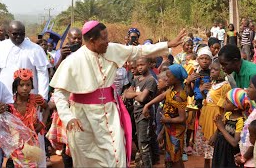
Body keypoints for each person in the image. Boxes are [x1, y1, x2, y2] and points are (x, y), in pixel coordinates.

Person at [49, 20, 186, 167]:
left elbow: (138, 51)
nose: (108, 42)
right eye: (103, 38)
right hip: (83, 119)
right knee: (87, 162)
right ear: (91, 41)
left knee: (115, 157)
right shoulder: (73, 61)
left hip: (110, 113)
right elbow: (60, 94)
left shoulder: (111, 49)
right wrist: (68, 117)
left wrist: (167, 45)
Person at [0, 20, 50, 167]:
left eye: (21, 34)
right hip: (6, 102)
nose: (18, 37)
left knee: (33, 134)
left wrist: (42, 97)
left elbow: (42, 73)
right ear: (8, 33)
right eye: (15, 34)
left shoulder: (35, 49)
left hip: (30, 102)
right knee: (6, 137)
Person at [143, 64, 188, 168]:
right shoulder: (172, 90)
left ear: (176, 79)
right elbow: (162, 95)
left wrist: (166, 120)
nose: (166, 78)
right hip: (169, 130)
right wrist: (147, 105)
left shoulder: (178, 96)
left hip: (176, 132)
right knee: (173, 157)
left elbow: (182, 118)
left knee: (175, 158)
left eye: (168, 76)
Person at [6, 68, 50, 167]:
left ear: (32, 86)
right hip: (16, 143)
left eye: (28, 85)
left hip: (32, 143)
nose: (25, 88)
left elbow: (47, 108)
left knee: (32, 165)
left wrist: (42, 123)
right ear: (15, 86)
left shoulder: (36, 99)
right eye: (21, 85)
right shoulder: (10, 102)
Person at [196, 61, 231, 168]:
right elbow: (208, 101)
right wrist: (202, 92)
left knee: (213, 151)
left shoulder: (225, 86)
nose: (211, 71)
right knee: (207, 153)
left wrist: (218, 130)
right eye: (211, 69)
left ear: (222, 72)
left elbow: (226, 108)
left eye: (215, 69)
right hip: (206, 118)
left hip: (214, 120)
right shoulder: (213, 84)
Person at [124, 57, 158, 167]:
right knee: (139, 141)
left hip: (144, 115)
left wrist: (135, 95)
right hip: (136, 113)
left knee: (144, 144)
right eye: (138, 65)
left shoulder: (150, 80)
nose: (139, 67)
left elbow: (143, 99)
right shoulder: (136, 79)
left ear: (148, 64)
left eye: (142, 65)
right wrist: (137, 94)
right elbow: (127, 94)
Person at [212, 88, 251, 168]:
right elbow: (220, 129)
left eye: (228, 102)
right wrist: (215, 136)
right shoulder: (227, 115)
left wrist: (221, 127)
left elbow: (234, 143)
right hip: (220, 150)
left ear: (236, 107)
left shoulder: (240, 121)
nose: (224, 103)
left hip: (229, 154)